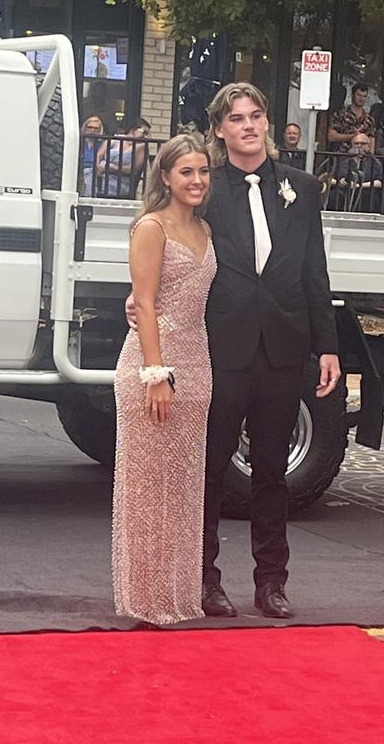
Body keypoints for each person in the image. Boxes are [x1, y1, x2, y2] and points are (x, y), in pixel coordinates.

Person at [128, 83, 340, 619]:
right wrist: (136, 303)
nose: (248, 125)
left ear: (267, 123)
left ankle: (272, 583)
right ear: (221, 130)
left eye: (256, 115)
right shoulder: (206, 186)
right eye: (236, 119)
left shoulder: (302, 188)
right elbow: (170, 252)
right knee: (212, 471)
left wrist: (328, 346)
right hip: (219, 350)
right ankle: (205, 580)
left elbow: (315, 271)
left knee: (271, 471)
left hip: (284, 350)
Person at [113, 133, 216, 626]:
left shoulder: (206, 230)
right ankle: (145, 598)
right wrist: (155, 374)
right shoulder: (150, 227)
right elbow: (146, 302)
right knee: (148, 484)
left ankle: (176, 595)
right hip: (153, 365)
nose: (196, 181)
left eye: (203, 172)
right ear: (165, 176)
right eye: (186, 172)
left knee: (182, 485)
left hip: (198, 364)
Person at [96, 117, 151, 198]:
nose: (145, 136)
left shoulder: (141, 146)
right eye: (144, 132)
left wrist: (112, 166)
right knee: (88, 174)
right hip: (103, 175)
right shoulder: (115, 140)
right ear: (133, 129)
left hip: (122, 181)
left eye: (148, 134)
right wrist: (98, 167)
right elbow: (98, 156)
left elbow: (133, 169)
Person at [329, 132, 382, 212]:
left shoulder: (374, 162)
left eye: (363, 143)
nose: (359, 146)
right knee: (334, 195)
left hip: (364, 191)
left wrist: (358, 185)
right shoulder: (341, 160)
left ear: (368, 146)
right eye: (356, 143)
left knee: (369, 196)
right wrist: (339, 182)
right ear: (352, 145)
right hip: (343, 191)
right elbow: (329, 179)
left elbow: (379, 183)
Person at [328, 83, 376, 153]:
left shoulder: (370, 120)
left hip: (363, 159)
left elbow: (371, 144)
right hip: (342, 157)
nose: (361, 99)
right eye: (359, 95)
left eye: (364, 96)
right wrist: (352, 136)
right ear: (353, 95)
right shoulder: (340, 115)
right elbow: (331, 136)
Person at [80, 115, 104, 196]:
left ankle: (88, 196)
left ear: (99, 130)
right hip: (80, 172)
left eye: (96, 128)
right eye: (90, 127)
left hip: (97, 172)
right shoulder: (79, 142)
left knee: (90, 173)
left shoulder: (103, 144)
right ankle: (88, 197)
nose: (92, 130)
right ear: (85, 128)